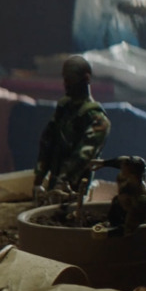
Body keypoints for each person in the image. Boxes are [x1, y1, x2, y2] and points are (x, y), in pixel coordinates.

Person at [33, 55, 111, 204]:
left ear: (86, 78)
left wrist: (62, 181)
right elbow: (47, 141)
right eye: (65, 78)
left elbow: (83, 156)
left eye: (71, 79)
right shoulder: (64, 108)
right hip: (53, 183)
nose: (66, 84)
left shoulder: (97, 119)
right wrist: (39, 177)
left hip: (74, 190)